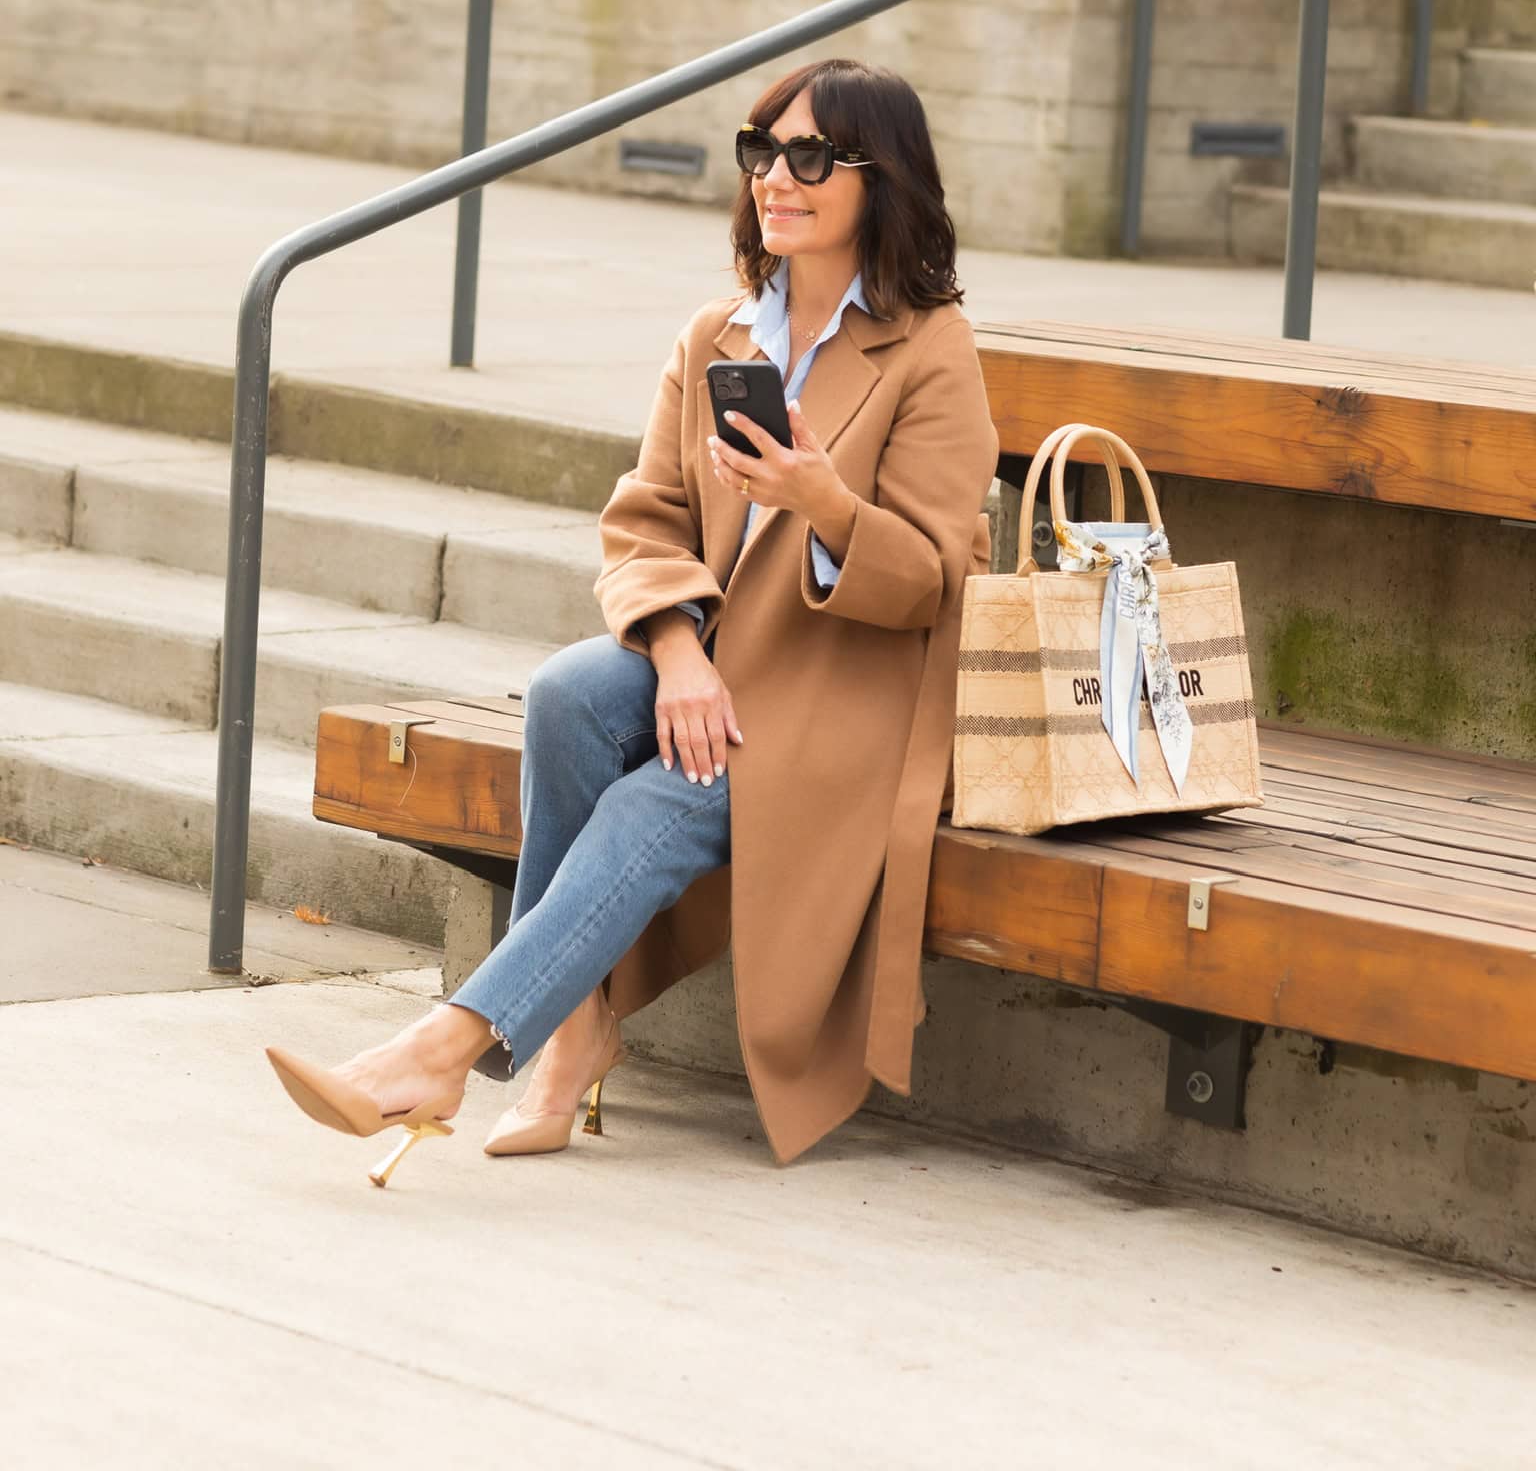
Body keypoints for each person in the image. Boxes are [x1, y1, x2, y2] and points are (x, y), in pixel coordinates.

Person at [265, 58, 999, 1181]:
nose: (776, 178)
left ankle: (443, 1051)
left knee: (667, 790)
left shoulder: (931, 347)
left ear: (877, 181)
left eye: (810, 157)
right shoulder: (721, 335)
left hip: (846, 698)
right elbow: (644, 519)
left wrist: (820, 501)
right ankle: (573, 1024)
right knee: (570, 695)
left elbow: (935, 578)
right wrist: (675, 658)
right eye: (764, 151)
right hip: (721, 660)